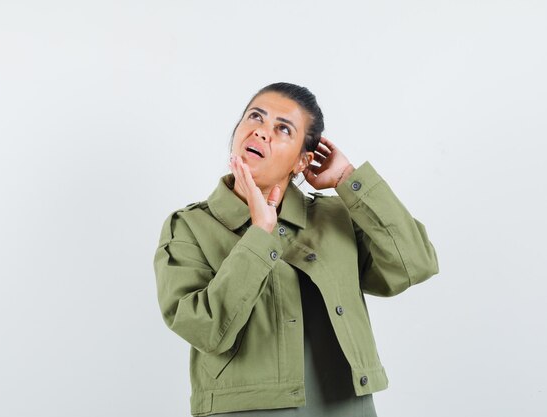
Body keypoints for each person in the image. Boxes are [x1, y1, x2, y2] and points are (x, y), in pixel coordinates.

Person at [153, 82, 439, 416]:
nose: (261, 132)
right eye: (255, 117)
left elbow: (414, 264)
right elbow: (205, 329)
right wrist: (260, 234)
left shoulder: (335, 217)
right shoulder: (189, 226)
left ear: (303, 161)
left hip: (346, 406)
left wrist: (349, 179)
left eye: (282, 129)